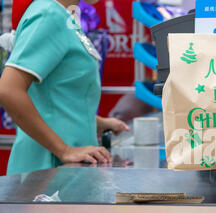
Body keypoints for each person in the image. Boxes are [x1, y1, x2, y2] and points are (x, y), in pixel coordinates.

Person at [0, 0, 129, 175]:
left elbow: (55, 96)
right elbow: (9, 90)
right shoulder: (48, 15)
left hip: (66, 170)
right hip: (46, 170)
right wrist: (64, 150)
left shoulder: (65, 16)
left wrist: (97, 123)